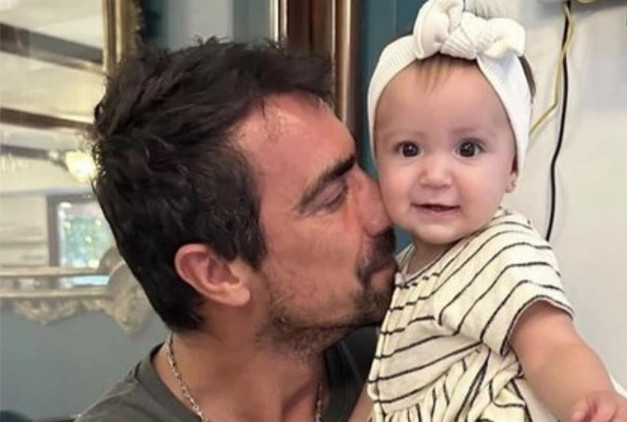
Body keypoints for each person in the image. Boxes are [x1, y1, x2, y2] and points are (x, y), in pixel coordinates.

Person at [76, 38, 397, 422]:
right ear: (216, 273)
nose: (385, 212)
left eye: (359, 168)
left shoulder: (412, 354)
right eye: (332, 197)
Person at [355, 1, 627, 421]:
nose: (435, 175)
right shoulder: (403, 271)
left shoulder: (502, 250)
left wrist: (593, 398)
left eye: (468, 148)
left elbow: (552, 347)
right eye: (409, 149)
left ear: (511, 168)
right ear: (377, 161)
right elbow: (383, 387)